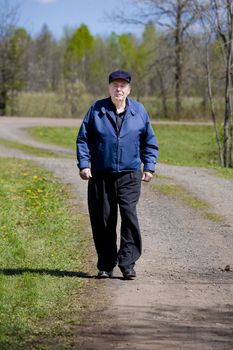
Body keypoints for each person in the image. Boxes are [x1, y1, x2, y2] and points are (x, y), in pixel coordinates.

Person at [76, 70, 158, 279]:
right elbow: (83, 139)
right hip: (101, 175)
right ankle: (105, 264)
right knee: (103, 220)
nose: (118, 89)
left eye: (123, 85)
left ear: (129, 89)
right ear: (109, 88)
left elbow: (149, 142)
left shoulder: (139, 111)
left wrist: (148, 166)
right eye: (115, 85)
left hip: (129, 175)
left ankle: (128, 263)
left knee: (129, 217)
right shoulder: (96, 109)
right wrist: (84, 164)